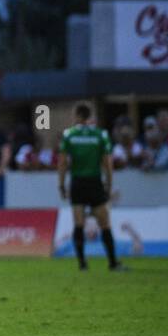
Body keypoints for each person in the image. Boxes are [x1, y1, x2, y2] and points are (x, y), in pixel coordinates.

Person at [58, 102, 123, 272]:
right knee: (104, 223)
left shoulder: (69, 135)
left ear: (78, 116)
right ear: (89, 116)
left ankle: (82, 264)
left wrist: (61, 184)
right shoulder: (100, 135)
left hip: (77, 182)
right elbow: (107, 163)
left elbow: (63, 163)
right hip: (94, 182)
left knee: (78, 223)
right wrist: (109, 184)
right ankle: (112, 262)